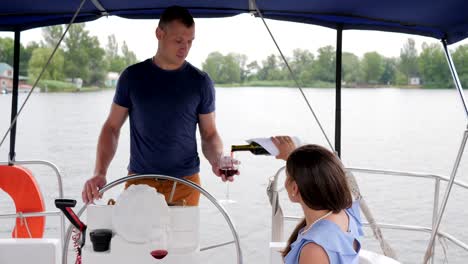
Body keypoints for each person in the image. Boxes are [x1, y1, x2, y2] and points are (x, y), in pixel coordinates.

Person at [82, 5, 235, 206]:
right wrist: (100, 172)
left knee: (182, 238)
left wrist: (217, 160)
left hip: (185, 184)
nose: (185, 48)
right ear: (159, 33)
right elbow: (112, 127)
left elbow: (209, 134)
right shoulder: (132, 77)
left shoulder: (200, 82)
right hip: (139, 181)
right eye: (179, 41)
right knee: (131, 238)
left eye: (190, 41)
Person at [271, 136, 363, 264]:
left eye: (287, 176)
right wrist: (292, 156)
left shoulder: (314, 250)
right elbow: (319, 171)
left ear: (294, 188)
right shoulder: (346, 213)